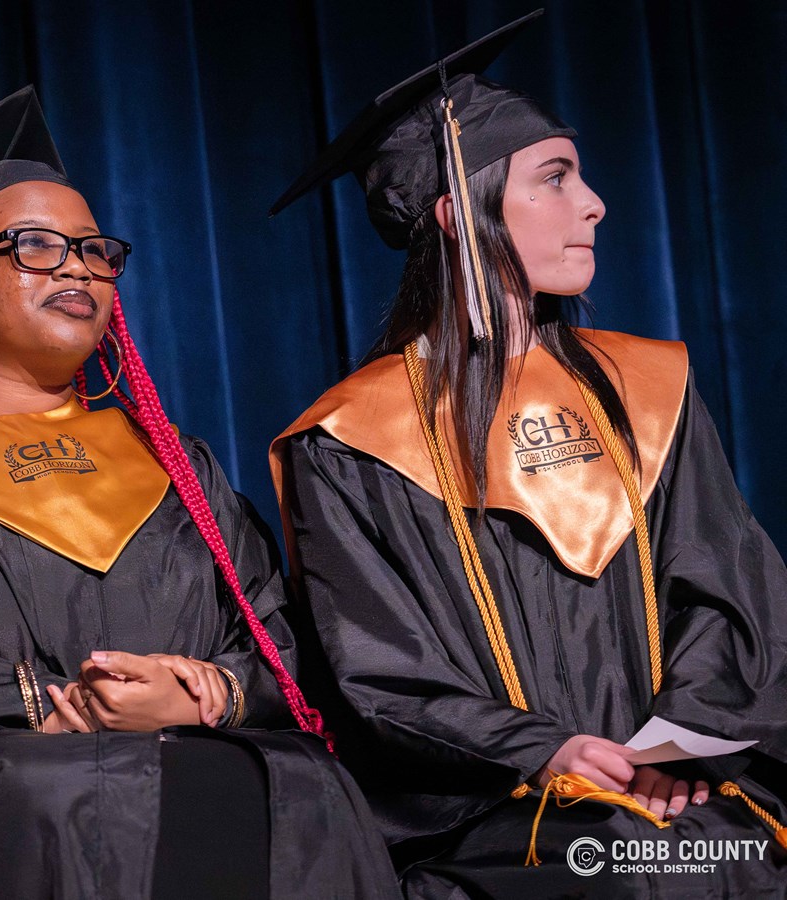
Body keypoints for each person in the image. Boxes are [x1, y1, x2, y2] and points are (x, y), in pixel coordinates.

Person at [0, 87, 396, 899]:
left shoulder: (169, 461)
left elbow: (278, 635)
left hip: (190, 756)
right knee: (47, 789)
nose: (77, 267)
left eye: (93, 251)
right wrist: (40, 703)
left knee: (307, 785)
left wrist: (203, 694)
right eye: (34, 246)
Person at [268, 12, 787, 897]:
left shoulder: (647, 384)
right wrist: (546, 750)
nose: (594, 202)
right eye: (554, 179)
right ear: (458, 215)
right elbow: (379, 673)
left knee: (718, 861)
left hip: (687, 790)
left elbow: (729, 589)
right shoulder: (352, 438)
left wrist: (675, 747)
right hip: (498, 813)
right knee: (640, 875)